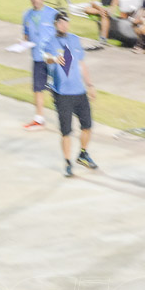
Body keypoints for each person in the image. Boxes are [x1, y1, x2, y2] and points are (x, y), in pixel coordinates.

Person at [43, 11, 98, 177]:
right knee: (66, 131)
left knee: (87, 126)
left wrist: (89, 85)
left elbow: (81, 63)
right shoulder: (51, 43)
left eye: (66, 22)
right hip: (62, 94)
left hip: (79, 92)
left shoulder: (74, 39)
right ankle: (67, 162)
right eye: (60, 22)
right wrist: (53, 58)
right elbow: (46, 57)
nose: (64, 25)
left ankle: (83, 153)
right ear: (55, 24)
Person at [21, 0, 58, 131]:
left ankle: (64, 115)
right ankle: (39, 118)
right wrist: (23, 43)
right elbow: (26, 34)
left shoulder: (52, 14)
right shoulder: (27, 15)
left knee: (58, 88)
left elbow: (61, 34)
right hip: (37, 57)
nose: (35, 0)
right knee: (38, 88)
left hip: (51, 57)